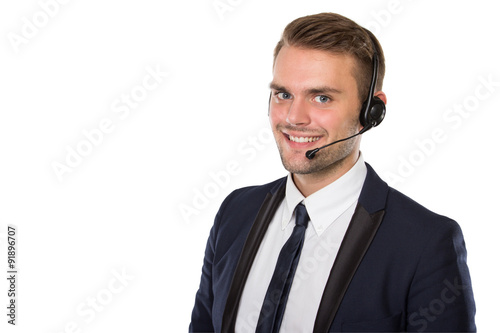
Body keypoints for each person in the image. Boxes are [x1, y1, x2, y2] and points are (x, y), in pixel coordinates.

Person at [189, 12, 475, 333]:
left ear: (371, 112)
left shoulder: (426, 243)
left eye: (321, 97)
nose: (294, 118)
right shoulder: (235, 211)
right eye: (283, 94)